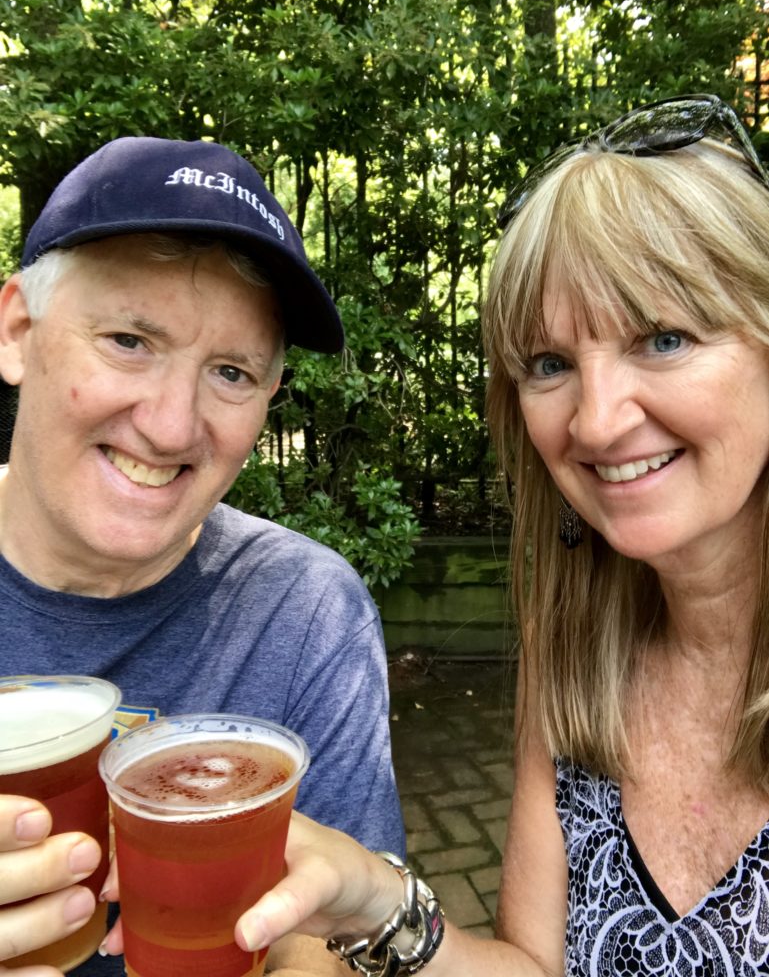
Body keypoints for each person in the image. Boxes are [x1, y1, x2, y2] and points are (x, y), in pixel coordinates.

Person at [223, 93, 769, 977]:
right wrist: (376, 902)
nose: (594, 422)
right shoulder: (573, 663)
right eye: (549, 364)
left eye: (663, 337)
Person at [0, 136, 404, 975]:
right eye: (129, 341)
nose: (173, 425)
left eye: (229, 371)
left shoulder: (303, 611)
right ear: (17, 332)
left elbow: (324, 939)